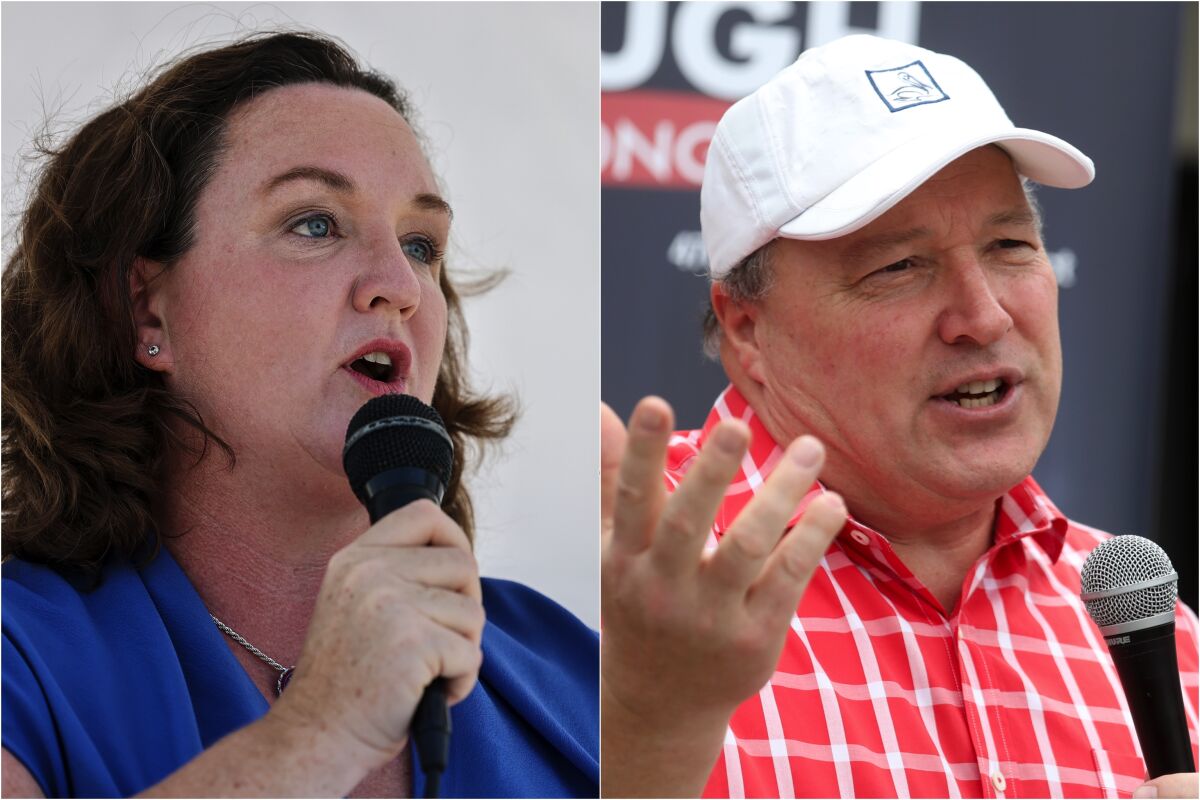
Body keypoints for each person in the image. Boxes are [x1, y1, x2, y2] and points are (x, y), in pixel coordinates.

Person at [600, 35, 1198, 799]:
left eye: (1011, 244)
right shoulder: (630, 583)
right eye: (899, 267)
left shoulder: (1156, 629)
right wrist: (645, 730)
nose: (982, 317)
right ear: (748, 330)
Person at [1, 31, 597, 798]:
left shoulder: (579, 674)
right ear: (146, 311)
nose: (400, 285)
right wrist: (321, 732)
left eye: (420, 244)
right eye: (314, 223)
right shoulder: (23, 661)